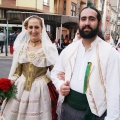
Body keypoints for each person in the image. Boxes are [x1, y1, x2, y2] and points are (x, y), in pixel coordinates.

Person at [51, 6, 120, 120]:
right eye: (83, 19)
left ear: (99, 23)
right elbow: (55, 73)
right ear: (79, 23)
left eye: (91, 19)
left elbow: (114, 91)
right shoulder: (70, 49)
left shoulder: (110, 53)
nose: (87, 23)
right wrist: (60, 86)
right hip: (68, 109)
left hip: (95, 114)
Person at [0, 15, 58, 120]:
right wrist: (8, 83)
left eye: (36, 27)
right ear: (26, 28)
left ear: (42, 28)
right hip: (20, 87)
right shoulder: (21, 48)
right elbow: (17, 72)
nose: (33, 31)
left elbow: (55, 72)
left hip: (40, 90)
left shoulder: (49, 49)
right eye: (30, 27)